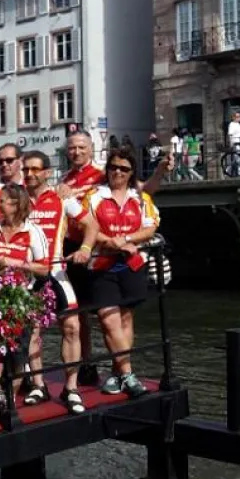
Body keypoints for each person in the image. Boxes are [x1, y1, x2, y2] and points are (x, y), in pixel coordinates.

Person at [72, 146, 159, 399]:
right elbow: (85, 224)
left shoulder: (140, 198)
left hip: (131, 263)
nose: (117, 172)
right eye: (113, 167)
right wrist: (109, 241)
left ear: (131, 173)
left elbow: (150, 227)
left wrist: (126, 238)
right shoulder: (94, 195)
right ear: (106, 170)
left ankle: (116, 372)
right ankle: (128, 374)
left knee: (125, 320)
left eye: (124, 169)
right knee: (108, 319)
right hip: (101, 264)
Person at [21, 152, 97, 414]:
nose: (29, 174)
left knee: (72, 327)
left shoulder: (61, 197)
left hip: (56, 270)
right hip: (28, 274)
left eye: (35, 169)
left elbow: (91, 224)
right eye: (26, 170)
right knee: (32, 332)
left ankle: (71, 387)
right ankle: (38, 385)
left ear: (46, 172)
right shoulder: (16, 199)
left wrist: (85, 248)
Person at [0, 185, 51, 420]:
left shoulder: (33, 232)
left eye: (3, 201)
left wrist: (16, 263)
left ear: (16, 204)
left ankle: (9, 400)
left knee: (17, 353)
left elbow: (44, 268)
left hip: (21, 298)